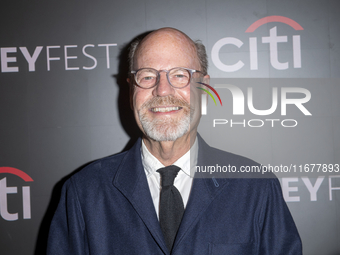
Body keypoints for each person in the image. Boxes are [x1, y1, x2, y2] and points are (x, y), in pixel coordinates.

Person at [47, 28, 302, 254]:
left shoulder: (255, 187)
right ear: (131, 90)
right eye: (147, 76)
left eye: (180, 75)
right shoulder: (84, 192)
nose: (163, 90)